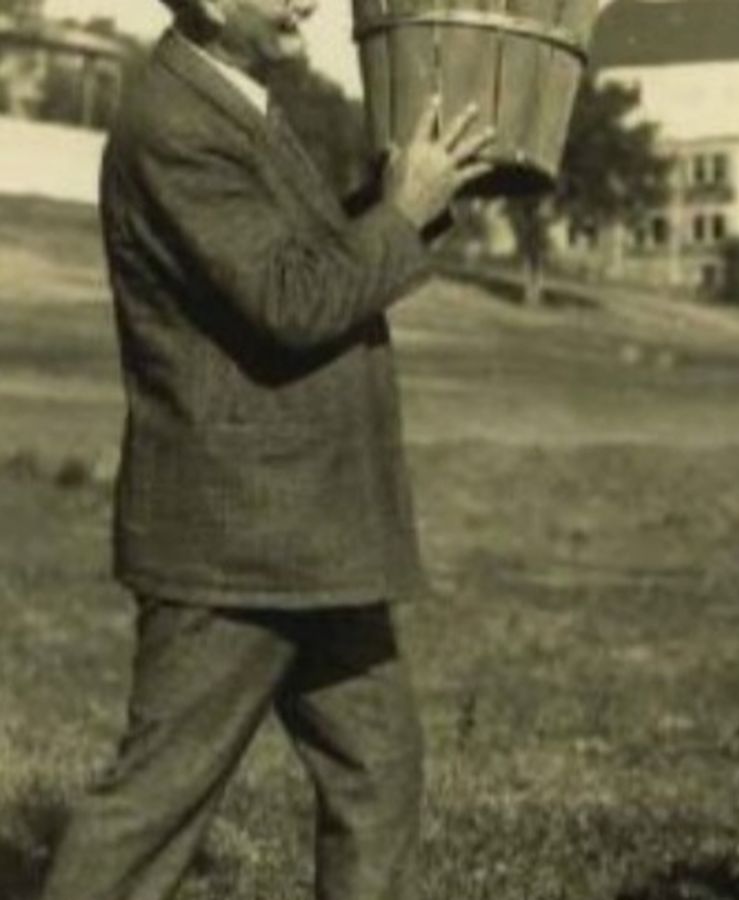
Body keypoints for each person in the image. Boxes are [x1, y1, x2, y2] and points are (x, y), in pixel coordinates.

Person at [40, 0, 493, 897]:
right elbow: (291, 303)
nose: (309, 2)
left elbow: (310, 263)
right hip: (236, 538)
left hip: (308, 532)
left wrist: (408, 199)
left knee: (379, 773)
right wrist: (401, 218)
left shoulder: (236, 101)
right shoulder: (172, 124)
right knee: (156, 806)